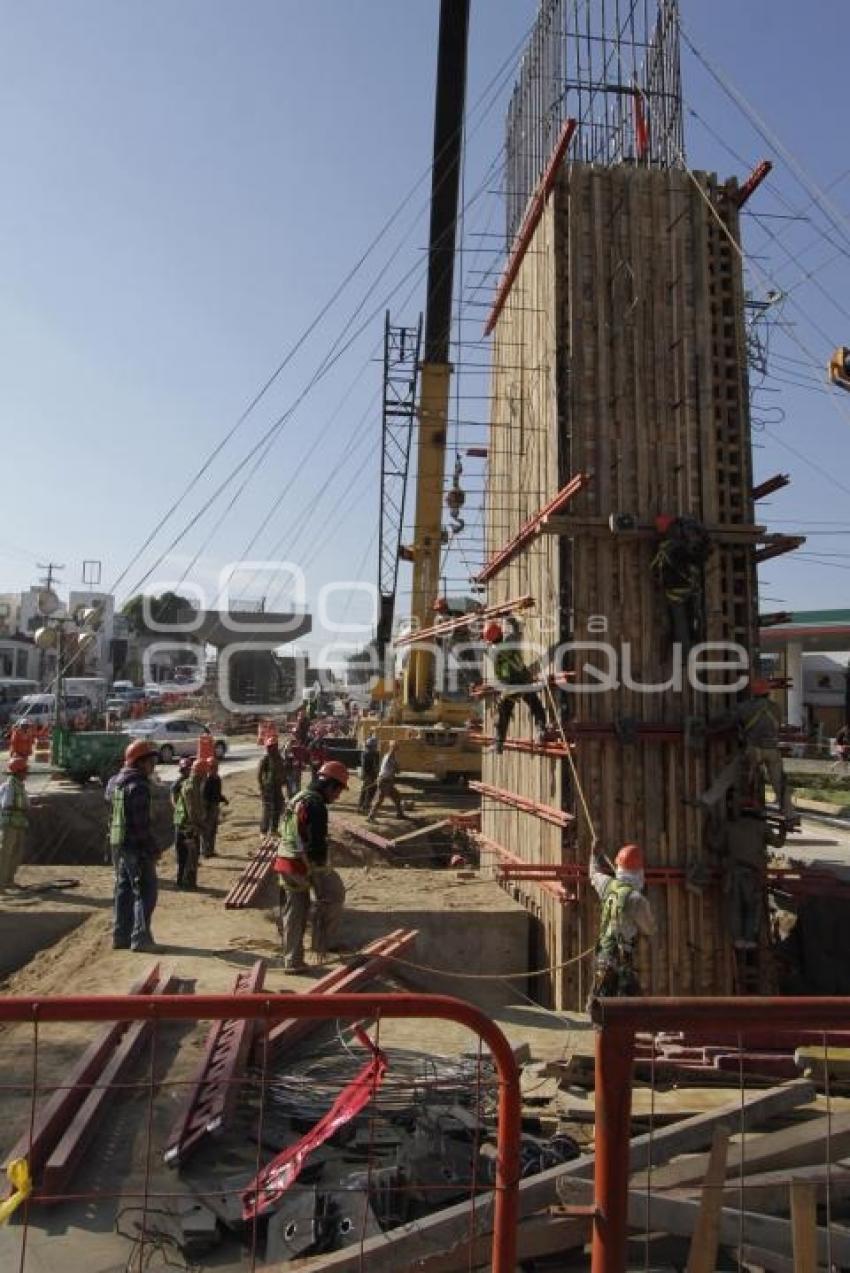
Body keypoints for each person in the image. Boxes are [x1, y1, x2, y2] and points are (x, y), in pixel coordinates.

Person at [272, 761, 349, 972]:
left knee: (295, 910)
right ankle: (321, 943)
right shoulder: (316, 805)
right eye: (339, 791)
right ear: (330, 786)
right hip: (302, 864)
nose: (338, 796)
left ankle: (293, 959)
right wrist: (319, 873)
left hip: (284, 859)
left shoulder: (299, 796)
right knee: (334, 894)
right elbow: (315, 845)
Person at [110, 739, 161, 951]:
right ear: (140, 762)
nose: (153, 766)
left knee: (124, 891)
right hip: (136, 847)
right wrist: (151, 848)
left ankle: (120, 936)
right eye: (150, 761)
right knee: (146, 891)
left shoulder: (116, 782)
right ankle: (141, 938)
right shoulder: (138, 786)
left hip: (120, 844)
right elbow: (140, 825)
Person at [588, 843, 656, 1004]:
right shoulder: (637, 900)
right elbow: (650, 929)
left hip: (602, 956)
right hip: (621, 960)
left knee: (599, 1001)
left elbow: (593, 873)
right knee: (629, 1006)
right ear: (639, 871)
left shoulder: (607, 885)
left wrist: (594, 854)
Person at [722, 798, 785, 951]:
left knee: (735, 907)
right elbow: (778, 843)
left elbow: (716, 844)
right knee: (751, 907)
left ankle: (737, 939)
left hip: (733, 873)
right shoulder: (761, 827)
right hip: (752, 873)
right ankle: (749, 939)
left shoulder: (730, 826)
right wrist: (783, 830)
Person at [482, 619, 547, 753]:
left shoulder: (491, 651)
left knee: (503, 712)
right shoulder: (511, 641)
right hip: (523, 679)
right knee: (535, 705)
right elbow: (517, 628)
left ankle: (499, 743)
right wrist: (509, 618)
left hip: (510, 685)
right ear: (500, 632)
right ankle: (541, 730)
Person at [650, 514, 712, 655]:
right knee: (694, 617)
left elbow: (656, 567)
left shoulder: (667, 547)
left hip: (676, 591)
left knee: (679, 623)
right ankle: (695, 642)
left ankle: (685, 653)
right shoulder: (688, 539)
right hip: (692, 586)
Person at [735, 679, 791, 816]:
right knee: (779, 781)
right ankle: (789, 811)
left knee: (737, 773)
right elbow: (777, 726)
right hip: (772, 749)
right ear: (767, 693)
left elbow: (732, 721)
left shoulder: (744, 707)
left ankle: (742, 801)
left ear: (753, 694)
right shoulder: (776, 708)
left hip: (754, 749)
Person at [173, 759, 206, 889]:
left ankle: (183, 881)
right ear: (201, 773)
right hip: (187, 826)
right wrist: (201, 826)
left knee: (186, 856)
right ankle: (186, 883)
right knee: (189, 857)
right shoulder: (191, 787)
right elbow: (192, 810)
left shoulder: (191, 784)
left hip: (184, 824)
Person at [0, 755, 29, 889]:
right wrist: (21, 808)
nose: (26, 773)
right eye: (25, 771)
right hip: (9, 824)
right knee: (5, 853)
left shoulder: (21, 786)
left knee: (17, 853)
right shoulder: (9, 786)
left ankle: (9, 880)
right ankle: (1, 882)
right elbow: (6, 804)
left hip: (19, 823)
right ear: (18, 772)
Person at [367, 741, 408, 821]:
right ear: (392, 748)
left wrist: (396, 768)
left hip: (387, 782)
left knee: (397, 797)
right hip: (385, 781)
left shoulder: (390, 757)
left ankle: (400, 814)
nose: (397, 749)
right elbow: (393, 769)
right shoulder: (389, 757)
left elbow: (395, 770)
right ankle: (370, 817)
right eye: (396, 747)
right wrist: (396, 768)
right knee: (379, 800)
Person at [258, 738, 286, 835]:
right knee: (267, 809)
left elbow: (283, 770)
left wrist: (284, 780)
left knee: (277, 808)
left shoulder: (279, 758)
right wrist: (262, 787)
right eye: (270, 747)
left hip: (277, 787)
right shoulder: (265, 758)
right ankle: (263, 831)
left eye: (273, 746)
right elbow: (259, 774)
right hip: (268, 788)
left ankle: (274, 829)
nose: (271, 749)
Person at [201, 758, 228, 858]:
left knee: (213, 830)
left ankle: (211, 850)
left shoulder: (217, 779)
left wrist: (223, 799)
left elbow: (217, 793)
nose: (215, 769)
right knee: (206, 831)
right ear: (208, 768)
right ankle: (205, 851)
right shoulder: (207, 780)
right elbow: (204, 797)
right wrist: (205, 810)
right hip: (208, 808)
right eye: (212, 767)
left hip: (215, 807)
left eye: (216, 767)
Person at [359, 731, 380, 814]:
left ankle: (362, 806)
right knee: (369, 791)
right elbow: (368, 766)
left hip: (369, 775)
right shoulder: (368, 754)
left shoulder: (369, 753)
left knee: (366, 790)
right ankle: (365, 807)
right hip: (369, 775)